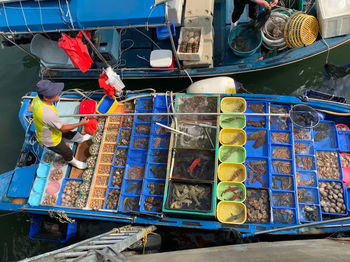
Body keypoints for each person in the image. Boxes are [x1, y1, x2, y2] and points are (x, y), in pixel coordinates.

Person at [32, 80, 91, 169]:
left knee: (69, 133)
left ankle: (80, 138)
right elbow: (62, 128)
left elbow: (30, 107)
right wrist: (80, 123)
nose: (58, 94)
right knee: (66, 151)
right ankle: (74, 162)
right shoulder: (47, 113)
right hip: (50, 139)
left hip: (51, 127)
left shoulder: (37, 99)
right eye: (55, 93)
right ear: (46, 98)